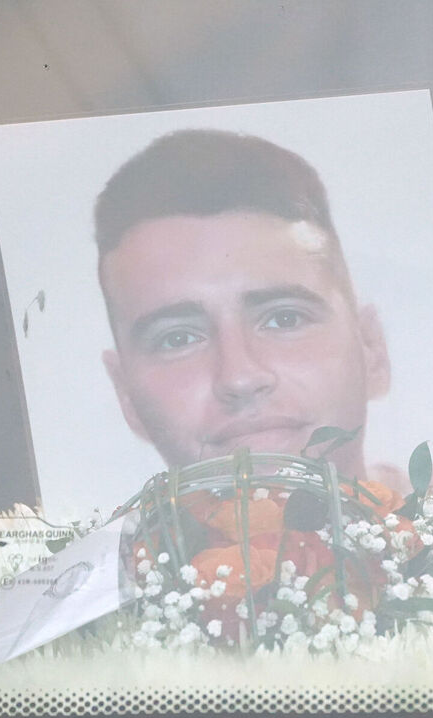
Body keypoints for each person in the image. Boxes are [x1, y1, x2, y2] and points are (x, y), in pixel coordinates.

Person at [95, 129, 390, 480]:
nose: (239, 378)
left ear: (372, 350)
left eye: (284, 319)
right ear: (126, 394)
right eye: (178, 339)